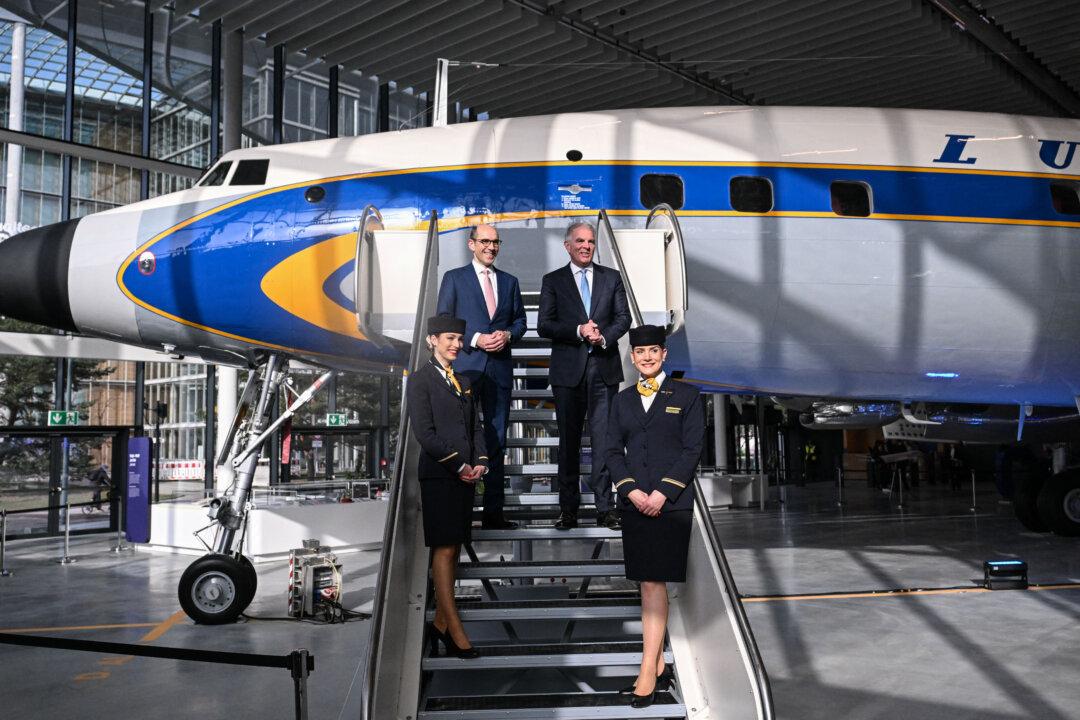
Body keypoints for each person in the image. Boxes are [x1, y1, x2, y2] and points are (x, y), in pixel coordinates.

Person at [605, 324, 704, 708]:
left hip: (671, 502)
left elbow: (693, 449)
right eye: (640, 352)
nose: (646, 357)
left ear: (664, 355)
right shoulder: (622, 400)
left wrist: (662, 492)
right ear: (632, 357)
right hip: (635, 502)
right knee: (647, 582)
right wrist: (631, 489)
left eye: (653, 351)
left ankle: (648, 667)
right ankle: (655, 663)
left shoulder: (688, 396)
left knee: (653, 582)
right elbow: (612, 451)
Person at [538, 221, 630, 530]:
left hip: (603, 368)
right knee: (569, 443)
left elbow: (623, 318)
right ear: (567, 245)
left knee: (605, 442)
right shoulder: (553, 281)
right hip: (568, 372)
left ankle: (606, 508)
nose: (586, 246)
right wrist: (579, 331)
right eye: (579, 241)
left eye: (590, 241)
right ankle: (569, 510)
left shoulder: (612, 278)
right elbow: (544, 325)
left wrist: (602, 337)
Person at [407, 316, 488, 659]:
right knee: (443, 549)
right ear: (432, 341)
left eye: (459, 338)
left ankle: (440, 621)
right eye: (450, 338)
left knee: (454, 549)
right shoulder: (420, 381)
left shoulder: (465, 381)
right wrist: (459, 464)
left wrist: (481, 459)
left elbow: (476, 426)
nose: (456, 344)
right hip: (441, 475)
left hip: (466, 475)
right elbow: (425, 435)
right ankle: (454, 628)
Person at [436, 223, 527, 529]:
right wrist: (474, 339)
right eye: (485, 241)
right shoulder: (454, 279)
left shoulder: (510, 281)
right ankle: (459, 513)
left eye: (496, 242)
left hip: (499, 370)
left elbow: (521, 322)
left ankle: (493, 513)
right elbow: (443, 321)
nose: (491, 246)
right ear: (471, 244)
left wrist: (508, 335)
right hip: (465, 368)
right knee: (461, 438)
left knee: (497, 440)